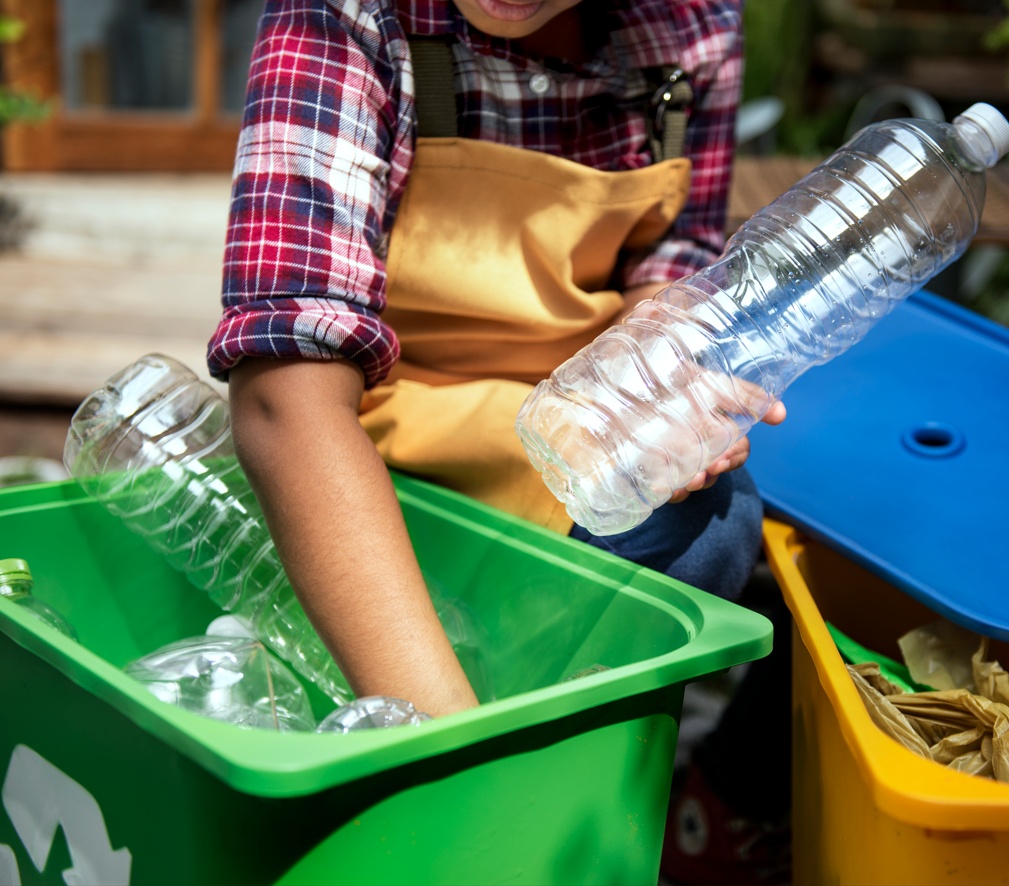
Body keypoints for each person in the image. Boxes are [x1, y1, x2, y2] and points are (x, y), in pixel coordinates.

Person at [208, 1, 788, 879]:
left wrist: (663, 365)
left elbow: (673, 260)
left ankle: (575, 806)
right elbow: (286, 398)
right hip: (373, 446)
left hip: (558, 434)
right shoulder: (350, 15)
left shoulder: (692, 27)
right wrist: (453, 765)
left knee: (714, 518)